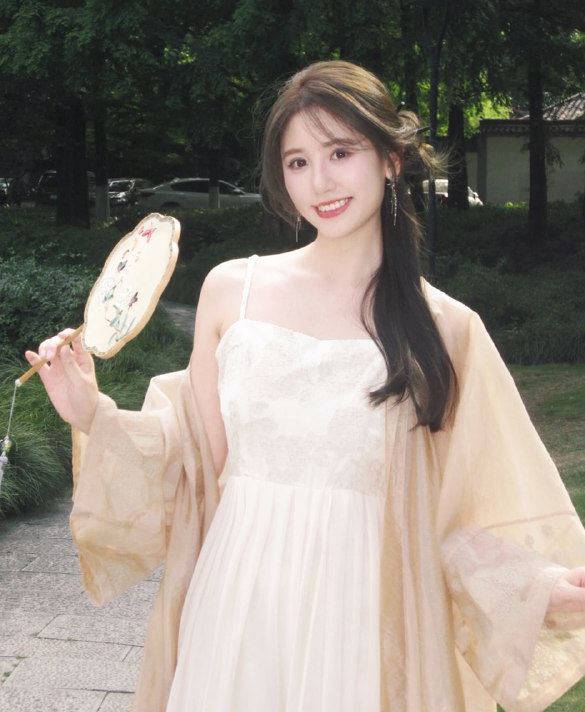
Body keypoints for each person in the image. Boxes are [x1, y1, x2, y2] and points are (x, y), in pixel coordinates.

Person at [27, 60, 585, 712]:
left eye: (340, 153)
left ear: (391, 160)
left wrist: (531, 587)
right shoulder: (232, 292)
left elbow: (457, 509)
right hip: (237, 605)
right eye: (297, 162)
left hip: (365, 618)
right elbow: (197, 465)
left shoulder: (446, 330)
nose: (319, 181)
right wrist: (93, 413)